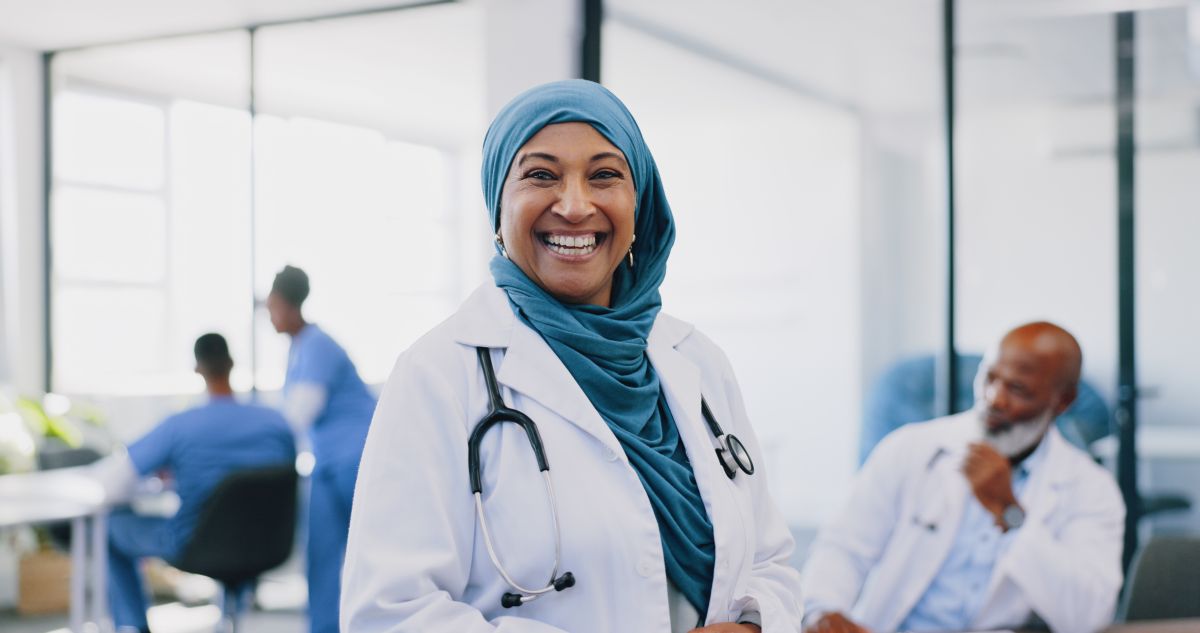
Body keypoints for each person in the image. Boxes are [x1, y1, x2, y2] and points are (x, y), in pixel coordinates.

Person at [340, 80, 803, 633]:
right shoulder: (439, 374)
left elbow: (770, 562)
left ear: (640, 201)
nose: (576, 205)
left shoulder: (697, 361)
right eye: (541, 175)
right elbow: (390, 614)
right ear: (497, 203)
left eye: (605, 175)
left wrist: (754, 626)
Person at [800, 322, 1124, 633]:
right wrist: (823, 610)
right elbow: (843, 548)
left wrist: (1010, 513)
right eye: (989, 378)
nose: (994, 399)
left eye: (1018, 389)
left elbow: (1088, 617)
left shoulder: (1091, 488)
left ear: (1063, 402)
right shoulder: (911, 448)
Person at [96, 333, 296, 633]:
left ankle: (132, 626)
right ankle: (236, 604)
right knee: (235, 531)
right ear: (231, 364)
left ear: (197, 368)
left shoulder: (181, 426)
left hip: (194, 545)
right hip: (267, 545)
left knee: (108, 528)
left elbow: (113, 485)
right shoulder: (275, 422)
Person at [266, 264, 377, 633]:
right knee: (321, 558)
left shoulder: (318, 346)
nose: (268, 315)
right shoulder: (299, 348)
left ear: (284, 305)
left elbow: (298, 413)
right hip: (327, 465)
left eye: (270, 307)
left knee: (369, 556)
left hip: (356, 461)